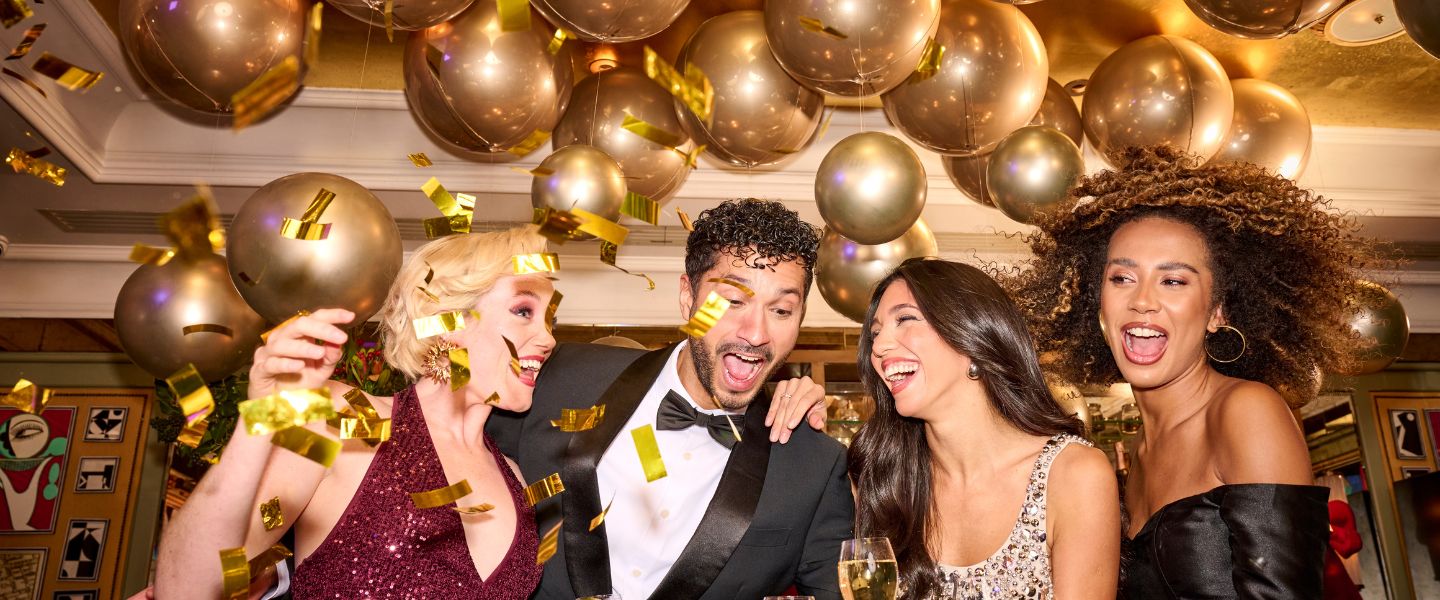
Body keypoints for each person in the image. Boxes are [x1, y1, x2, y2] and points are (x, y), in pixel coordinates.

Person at [1009, 146, 1380, 598]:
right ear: (1096, 306)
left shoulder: (1246, 411)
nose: (1142, 300)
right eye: (1121, 278)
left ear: (1217, 311)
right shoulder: (1136, 454)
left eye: (1173, 281)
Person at [155, 228, 556, 598]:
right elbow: (188, 585)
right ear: (446, 322)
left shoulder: (516, 479)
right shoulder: (345, 421)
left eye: (548, 317)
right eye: (524, 311)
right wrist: (261, 419)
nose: (548, 337)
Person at [487, 198, 853, 600]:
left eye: (782, 310)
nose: (756, 333)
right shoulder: (563, 376)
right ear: (687, 298)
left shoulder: (814, 465)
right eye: (733, 301)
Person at [849, 258, 1121, 599]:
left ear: (973, 337)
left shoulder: (1073, 475)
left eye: (905, 319)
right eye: (875, 333)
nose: (879, 346)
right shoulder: (883, 479)